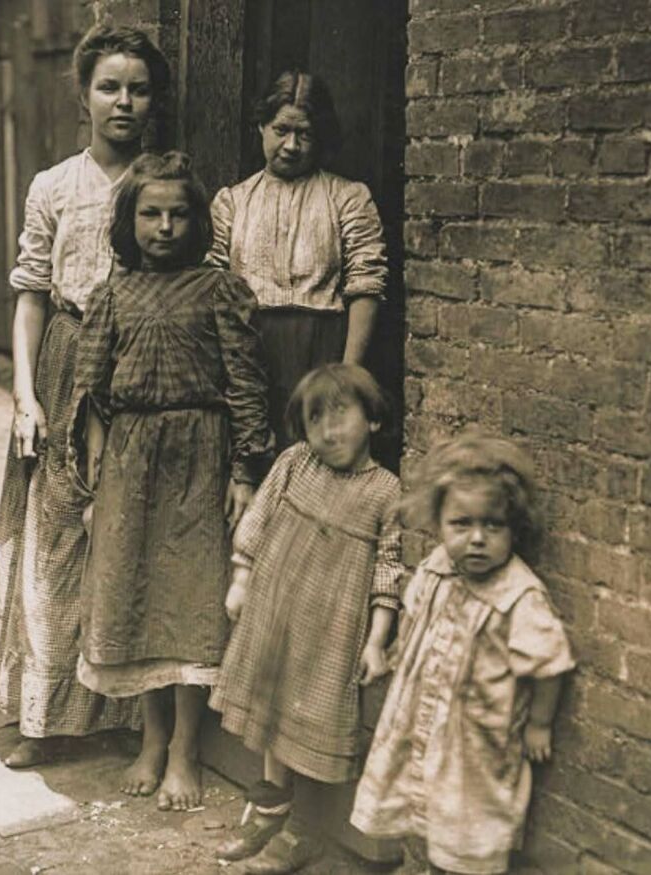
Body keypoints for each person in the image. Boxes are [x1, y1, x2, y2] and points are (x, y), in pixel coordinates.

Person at [0, 25, 171, 768]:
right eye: (109, 87)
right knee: (54, 539)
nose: (124, 102)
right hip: (65, 365)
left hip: (141, 367)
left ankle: (120, 713)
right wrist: (25, 396)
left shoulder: (164, 185)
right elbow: (32, 295)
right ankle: (44, 717)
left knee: (125, 538)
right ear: (84, 94)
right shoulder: (54, 185)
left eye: (139, 89)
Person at [68, 151, 273, 811]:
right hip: (131, 458)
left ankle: (186, 746)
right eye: (150, 214)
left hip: (199, 455)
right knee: (135, 594)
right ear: (129, 221)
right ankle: (151, 737)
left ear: (197, 221)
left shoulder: (219, 290)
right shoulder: (112, 294)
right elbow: (92, 389)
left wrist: (244, 470)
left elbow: (245, 385)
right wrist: (97, 468)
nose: (164, 227)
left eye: (178, 214)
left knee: (191, 599)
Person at [350, 433, 576, 875]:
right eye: (461, 524)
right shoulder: (436, 567)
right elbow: (416, 616)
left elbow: (550, 663)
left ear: (514, 528)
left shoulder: (519, 594)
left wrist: (539, 723)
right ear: (438, 523)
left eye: (493, 526)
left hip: (475, 738)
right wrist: (396, 653)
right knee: (428, 806)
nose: (476, 539)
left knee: (467, 826)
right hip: (426, 718)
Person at [210, 363, 405, 874]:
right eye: (315, 419)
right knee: (271, 708)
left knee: (311, 721)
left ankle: (302, 830)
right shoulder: (296, 462)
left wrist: (376, 640)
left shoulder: (386, 491)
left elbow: (388, 572)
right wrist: (241, 579)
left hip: (332, 630)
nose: (327, 431)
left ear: (373, 420)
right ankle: (269, 810)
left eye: (340, 415)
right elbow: (257, 521)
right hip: (275, 611)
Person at [206, 71, 387, 449]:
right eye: (281, 130)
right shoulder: (231, 203)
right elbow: (211, 287)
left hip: (322, 350)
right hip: (249, 353)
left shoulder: (348, 198)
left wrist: (347, 374)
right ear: (261, 126)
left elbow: (366, 283)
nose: (291, 145)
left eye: (304, 134)